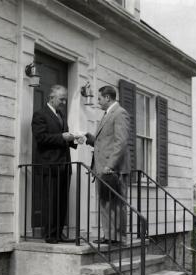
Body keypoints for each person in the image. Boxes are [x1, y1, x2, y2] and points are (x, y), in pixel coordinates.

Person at [32, 85, 77, 244]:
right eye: (61, 99)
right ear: (51, 97)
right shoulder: (40, 115)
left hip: (64, 165)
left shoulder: (61, 115)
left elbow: (63, 137)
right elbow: (41, 138)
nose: (64, 102)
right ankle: (50, 234)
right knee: (50, 201)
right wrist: (62, 137)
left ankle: (58, 233)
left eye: (65, 99)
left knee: (62, 201)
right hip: (49, 165)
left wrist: (74, 139)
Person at [86, 85, 130, 244]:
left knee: (116, 203)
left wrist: (110, 165)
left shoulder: (119, 113)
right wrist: (89, 139)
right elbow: (106, 141)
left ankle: (118, 237)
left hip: (113, 168)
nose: (98, 102)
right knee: (105, 201)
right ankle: (109, 236)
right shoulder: (107, 114)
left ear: (107, 98)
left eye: (99, 99)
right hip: (102, 167)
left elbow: (121, 142)